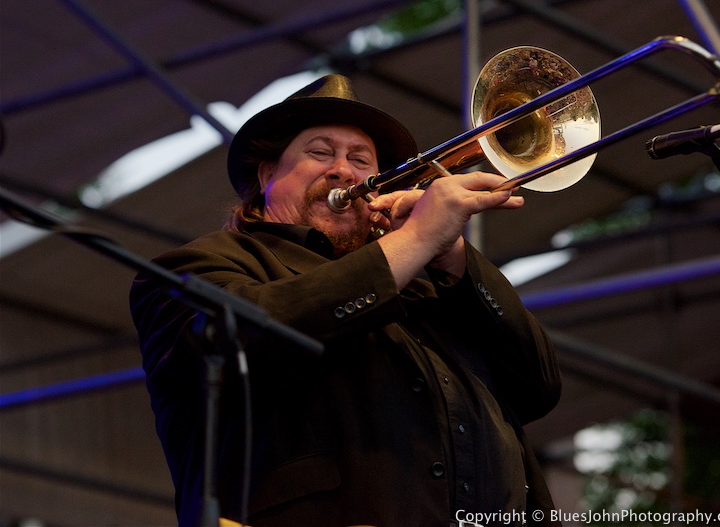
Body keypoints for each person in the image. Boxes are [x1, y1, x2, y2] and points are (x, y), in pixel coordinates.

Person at [130, 74, 562, 527]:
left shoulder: (427, 284)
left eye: (361, 160)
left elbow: (540, 386)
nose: (344, 170)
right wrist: (417, 237)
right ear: (266, 175)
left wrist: (453, 256)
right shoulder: (197, 265)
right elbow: (247, 337)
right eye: (320, 152)